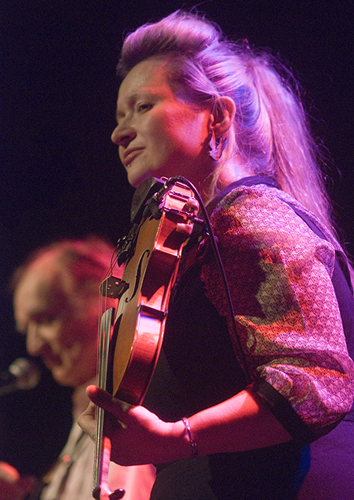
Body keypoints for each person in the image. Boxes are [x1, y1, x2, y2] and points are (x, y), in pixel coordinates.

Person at [77, 10, 354, 500]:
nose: (119, 134)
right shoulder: (200, 234)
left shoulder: (249, 215)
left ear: (218, 117)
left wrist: (178, 438)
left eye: (142, 107)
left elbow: (317, 381)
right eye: (119, 117)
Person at [1, 237, 155, 500]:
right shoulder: (86, 411)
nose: (34, 346)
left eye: (46, 319)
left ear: (103, 298)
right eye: (27, 330)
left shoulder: (133, 407)